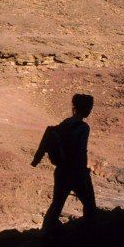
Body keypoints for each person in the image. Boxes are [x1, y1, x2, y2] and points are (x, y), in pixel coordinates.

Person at [32, 93, 97, 231]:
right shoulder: (84, 127)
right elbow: (81, 151)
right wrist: (83, 172)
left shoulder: (66, 122)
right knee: (90, 205)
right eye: (89, 107)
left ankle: (45, 234)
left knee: (56, 205)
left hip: (61, 171)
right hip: (75, 172)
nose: (90, 110)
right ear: (83, 108)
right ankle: (90, 234)